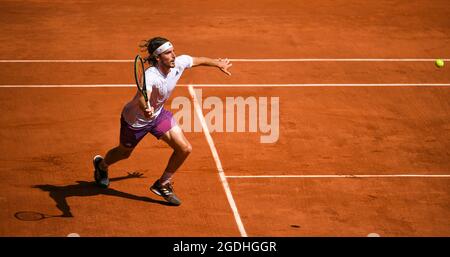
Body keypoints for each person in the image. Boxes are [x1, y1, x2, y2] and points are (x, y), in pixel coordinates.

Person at [93, 37, 232, 206]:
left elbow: (198, 60)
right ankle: (102, 165)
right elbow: (143, 99)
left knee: (185, 149)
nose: (173, 55)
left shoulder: (178, 63)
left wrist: (217, 64)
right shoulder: (150, 76)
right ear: (158, 58)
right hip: (135, 121)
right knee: (124, 153)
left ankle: (162, 184)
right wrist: (145, 109)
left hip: (158, 116)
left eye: (173, 51)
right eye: (168, 53)